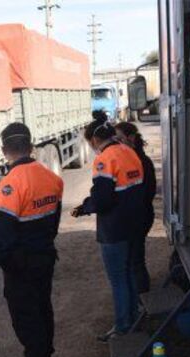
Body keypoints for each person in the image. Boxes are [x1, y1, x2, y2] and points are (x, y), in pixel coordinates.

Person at [0, 122, 64, 357]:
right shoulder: (51, 177)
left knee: (27, 319)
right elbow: (53, 222)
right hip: (44, 258)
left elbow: (3, 236)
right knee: (43, 310)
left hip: (21, 266)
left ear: (5, 151)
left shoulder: (10, 184)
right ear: (31, 147)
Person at [71, 111, 146, 341]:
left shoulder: (104, 159)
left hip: (114, 230)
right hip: (134, 224)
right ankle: (134, 318)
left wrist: (86, 206)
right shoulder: (129, 152)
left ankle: (123, 327)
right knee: (129, 275)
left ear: (94, 140)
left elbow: (103, 199)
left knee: (118, 279)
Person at [114, 121, 157, 293]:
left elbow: (148, 193)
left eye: (119, 138)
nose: (116, 143)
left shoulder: (140, 161)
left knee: (135, 260)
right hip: (137, 216)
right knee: (133, 258)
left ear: (130, 137)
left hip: (139, 216)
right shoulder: (131, 159)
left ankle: (141, 298)